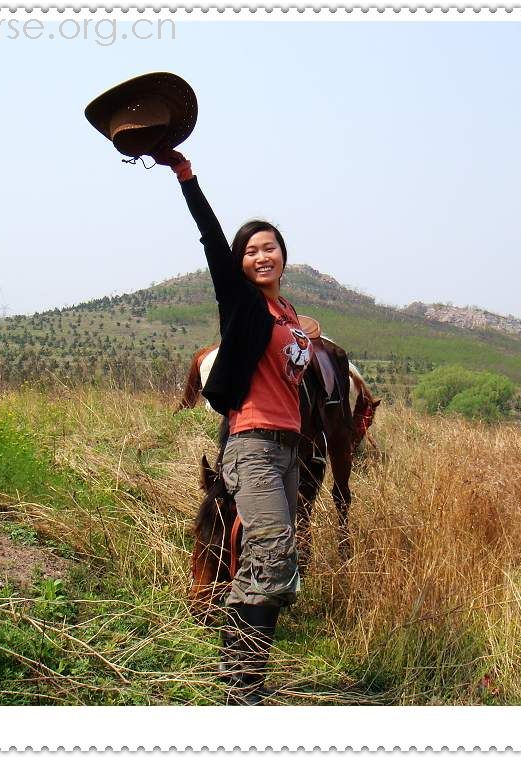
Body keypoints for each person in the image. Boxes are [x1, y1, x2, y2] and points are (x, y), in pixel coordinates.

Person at [153, 147, 312, 705]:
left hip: (288, 451)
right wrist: (185, 176)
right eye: (251, 250)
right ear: (241, 264)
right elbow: (212, 241)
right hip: (252, 445)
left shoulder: (289, 315)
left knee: (276, 559)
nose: (260, 255)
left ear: (284, 257)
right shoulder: (243, 304)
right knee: (271, 559)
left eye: (270, 247)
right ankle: (239, 690)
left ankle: (245, 685)